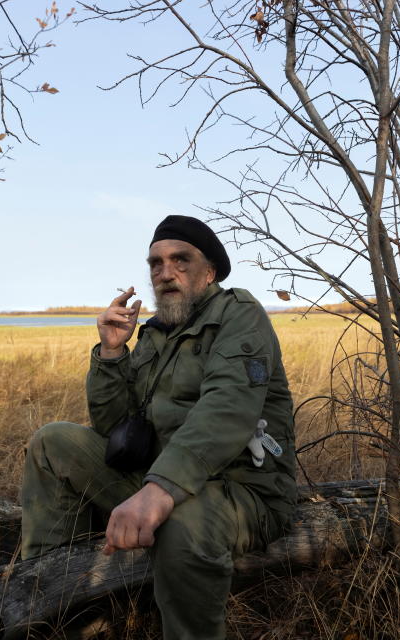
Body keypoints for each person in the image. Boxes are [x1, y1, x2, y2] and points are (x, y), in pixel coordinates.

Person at [20, 215, 296, 640]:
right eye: (155, 264)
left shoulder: (238, 313)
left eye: (180, 260)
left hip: (242, 488)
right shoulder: (155, 333)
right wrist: (112, 355)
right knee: (52, 442)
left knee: (186, 525)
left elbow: (228, 409)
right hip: (160, 476)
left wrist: (159, 491)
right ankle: (57, 606)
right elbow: (116, 427)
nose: (165, 273)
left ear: (210, 271)